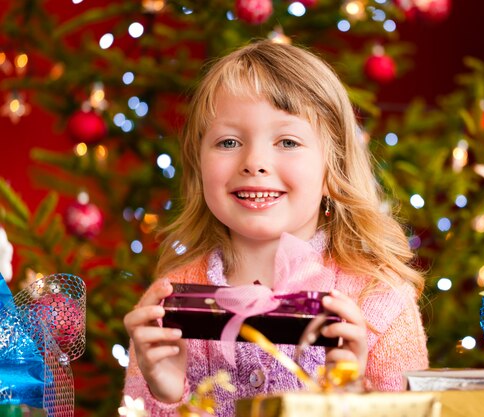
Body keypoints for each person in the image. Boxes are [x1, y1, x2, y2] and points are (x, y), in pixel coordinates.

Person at [123, 40, 428, 417]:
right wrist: (167, 397)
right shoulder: (167, 309)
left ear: (333, 168)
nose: (255, 162)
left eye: (287, 141)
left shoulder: (380, 304)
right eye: (229, 141)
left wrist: (351, 400)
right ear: (199, 164)